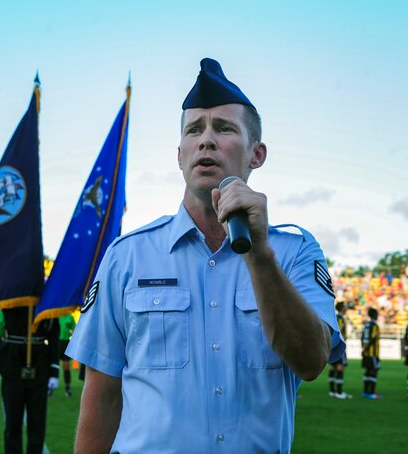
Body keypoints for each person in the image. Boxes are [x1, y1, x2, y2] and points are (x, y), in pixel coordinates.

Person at [66, 58, 344, 453]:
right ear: (179, 154)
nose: (206, 140)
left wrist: (260, 255)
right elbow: (103, 396)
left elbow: (311, 360)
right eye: (194, 130)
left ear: (257, 154)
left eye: (224, 128)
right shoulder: (127, 256)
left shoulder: (294, 251)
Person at [0, 307, 60, 454]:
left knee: (37, 421)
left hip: (40, 364)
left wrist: (54, 370)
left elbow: (54, 336)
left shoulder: (47, 301)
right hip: (13, 363)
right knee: (12, 422)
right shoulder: (11, 297)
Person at [328, 301, 352, 399]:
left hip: (332, 345)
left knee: (333, 368)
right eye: (345, 307)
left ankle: (332, 391)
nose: (346, 308)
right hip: (339, 345)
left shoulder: (335, 317)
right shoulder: (340, 319)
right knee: (340, 368)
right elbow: (340, 333)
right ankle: (339, 392)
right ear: (342, 308)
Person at [361, 307, 382, 399]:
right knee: (374, 371)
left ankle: (366, 392)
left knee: (367, 371)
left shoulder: (366, 325)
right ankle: (372, 393)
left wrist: (363, 348)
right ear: (374, 315)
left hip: (366, 353)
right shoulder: (374, 326)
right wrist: (366, 349)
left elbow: (362, 337)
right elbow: (373, 338)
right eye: (377, 314)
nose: (378, 316)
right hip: (372, 353)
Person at [58, 313, 76, 397]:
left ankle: (67, 388)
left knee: (66, 366)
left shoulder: (70, 317)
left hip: (65, 343)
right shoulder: (56, 316)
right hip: (56, 343)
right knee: (52, 365)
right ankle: (49, 388)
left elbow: (75, 330)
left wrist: (72, 332)